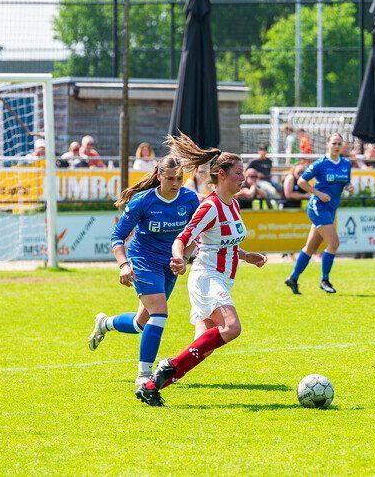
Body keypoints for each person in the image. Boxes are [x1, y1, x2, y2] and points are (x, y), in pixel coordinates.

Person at [135, 145, 267, 407]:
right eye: (238, 173)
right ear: (221, 174)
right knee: (232, 327)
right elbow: (183, 239)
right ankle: (165, 369)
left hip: (223, 278)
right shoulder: (210, 206)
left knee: (202, 347)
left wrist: (246, 255)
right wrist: (178, 258)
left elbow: (224, 242)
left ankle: (152, 386)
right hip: (207, 276)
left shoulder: (235, 204)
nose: (243, 177)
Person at [87, 149, 201, 388]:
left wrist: (184, 258)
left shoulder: (190, 199)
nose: (175, 183)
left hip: (169, 264)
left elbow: (194, 235)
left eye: (179, 178)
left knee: (141, 323)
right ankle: (144, 374)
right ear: (159, 176)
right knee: (160, 312)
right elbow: (117, 236)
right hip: (143, 260)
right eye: (170, 178)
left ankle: (105, 323)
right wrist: (124, 265)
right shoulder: (143, 201)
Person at [284, 133, 353, 295]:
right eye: (334, 143)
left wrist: (349, 186)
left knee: (311, 247)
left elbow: (345, 182)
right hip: (318, 207)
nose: (336, 146)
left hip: (331, 208)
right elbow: (301, 181)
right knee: (334, 243)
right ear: (328, 145)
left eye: (339, 143)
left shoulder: (346, 163)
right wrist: (318, 193)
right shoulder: (320, 164)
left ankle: (293, 278)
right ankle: (325, 280)